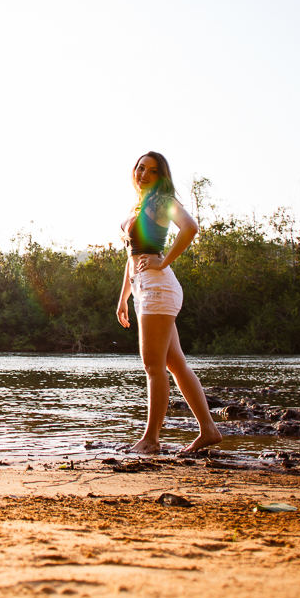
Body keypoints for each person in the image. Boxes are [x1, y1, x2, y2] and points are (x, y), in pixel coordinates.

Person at [116, 150, 223, 455]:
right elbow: (132, 258)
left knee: (153, 365)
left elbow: (190, 228)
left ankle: (151, 439)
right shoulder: (140, 206)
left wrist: (162, 265)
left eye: (152, 170)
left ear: (161, 176)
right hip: (143, 289)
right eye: (140, 168)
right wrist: (123, 297)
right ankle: (209, 430)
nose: (143, 174)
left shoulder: (162, 201)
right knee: (175, 363)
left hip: (158, 287)